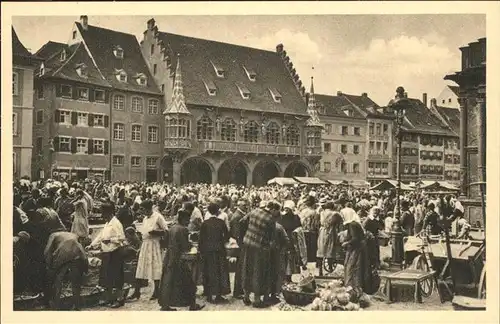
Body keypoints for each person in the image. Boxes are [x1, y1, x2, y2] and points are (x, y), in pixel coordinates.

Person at [158, 209, 205, 311]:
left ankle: (165, 305)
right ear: (183, 219)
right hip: (179, 260)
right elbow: (185, 247)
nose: (188, 222)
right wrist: (191, 245)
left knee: (167, 282)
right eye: (187, 219)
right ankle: (192, 305)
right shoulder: (183, 229)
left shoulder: (172, 228)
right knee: (189, 282)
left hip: (169, 258)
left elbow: (166, 242)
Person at [87, 202, 127, 308]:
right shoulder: (107, 223)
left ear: (108, 212)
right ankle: (109, 298)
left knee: (117, 276)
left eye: (103, 212)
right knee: (107, 277)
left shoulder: (116, 223)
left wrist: (110, 240)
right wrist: (92, 245)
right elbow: (101, 236)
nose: (101, 215)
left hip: (115, 252)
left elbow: (122, 238)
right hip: (107, 253)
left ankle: (119, 299)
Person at [129, 200, 169, 300]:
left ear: (149, 208)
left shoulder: (158, 217)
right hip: (145, 244)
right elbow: (144, 233)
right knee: (140, 267)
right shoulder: (145, 219)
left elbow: (166, 231)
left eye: (143, 209)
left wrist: (155, 232)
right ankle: (137, 291)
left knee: (156, 267)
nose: (142, 212)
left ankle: (157, 291)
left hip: (154, 244)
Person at [241, 201, 278, 308]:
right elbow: (272, 238)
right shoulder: (270, 219)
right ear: (273, 209)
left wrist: (247, 234)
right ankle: (257, 299)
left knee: (247, 270)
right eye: (276, 212)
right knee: (258, 272)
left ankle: (246, 296)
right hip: (260, 248)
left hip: (247, 245)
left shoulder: (254, 211)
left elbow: (242, 221)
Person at [199, 203, 231, 303]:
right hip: (219, 250)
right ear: (217, 211)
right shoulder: (221, 222)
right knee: (219, 271)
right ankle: (218, 295)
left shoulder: (205, 223)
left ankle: (208, 294)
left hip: (207, 250)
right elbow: (227, 236)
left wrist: (201, 250)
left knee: (208, 271)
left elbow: (201, 239)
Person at [341, 217, 372, 298]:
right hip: (358, 248)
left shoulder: (352, 225)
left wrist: (346, 243)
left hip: (357, 249)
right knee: (356, 268)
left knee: (352, 268)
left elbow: (355, 238)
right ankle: (356, 287)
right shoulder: (354, 224)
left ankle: (353, 288)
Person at [268, 207, 289, 305]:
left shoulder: (266, 226)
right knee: (278, 273)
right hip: (278, 253)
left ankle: (268, 293)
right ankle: (275, 293)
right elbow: (286, 240)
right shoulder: (279, 227)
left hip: (268, 252)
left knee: (269, 273)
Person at [278, 200, 303, 282]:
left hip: (290, 240)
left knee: (290, 258)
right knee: (288, 258)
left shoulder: (283, 217)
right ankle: (286, 276)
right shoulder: (294, 217)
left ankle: (288, 276)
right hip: (288, 240)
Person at [228, 199, 248, 298]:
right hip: (240, 245)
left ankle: (240, 290)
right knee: (239, 269)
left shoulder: (239, 215)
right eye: (244, 205)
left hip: (240, 244)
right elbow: (237, 234)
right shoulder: (237, 217)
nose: (246, 206)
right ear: (239, 206)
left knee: (241, 269)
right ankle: (238, 291)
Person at [316, 202, 342, 276]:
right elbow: (340, 223)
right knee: (330, 249)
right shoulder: (335, 214)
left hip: (322, 231)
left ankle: (320, 270)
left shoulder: (321, 212)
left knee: (321, 250)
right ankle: (330, 268)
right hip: (331, 231)